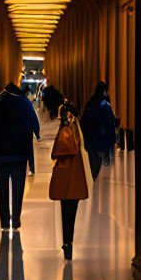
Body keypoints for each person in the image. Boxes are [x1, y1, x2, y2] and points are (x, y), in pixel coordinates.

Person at [0, 80, 40, 232]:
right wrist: (37, 134)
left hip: (1, 154)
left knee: (2, 190)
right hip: (19, 154)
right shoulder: (24, 103)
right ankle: (15, 220)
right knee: (18, 189)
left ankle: (4, 221)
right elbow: (34, 122)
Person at [49, 101, 91, 261]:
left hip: (64, 173)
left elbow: (56, 152)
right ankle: (69, 241)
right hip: (76, 173)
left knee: (64, 208)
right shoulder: (77, 128)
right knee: (71, 210)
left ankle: (66, 242)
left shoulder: (65, 129)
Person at [80, 81, 118, 178]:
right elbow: (110, 122)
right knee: (100, 161)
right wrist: (112, 138)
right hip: (102, 138)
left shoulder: (91, 102)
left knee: (94, 162)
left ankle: (94, 180)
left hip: (91, 137)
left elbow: (83, 121)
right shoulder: (106, 105)